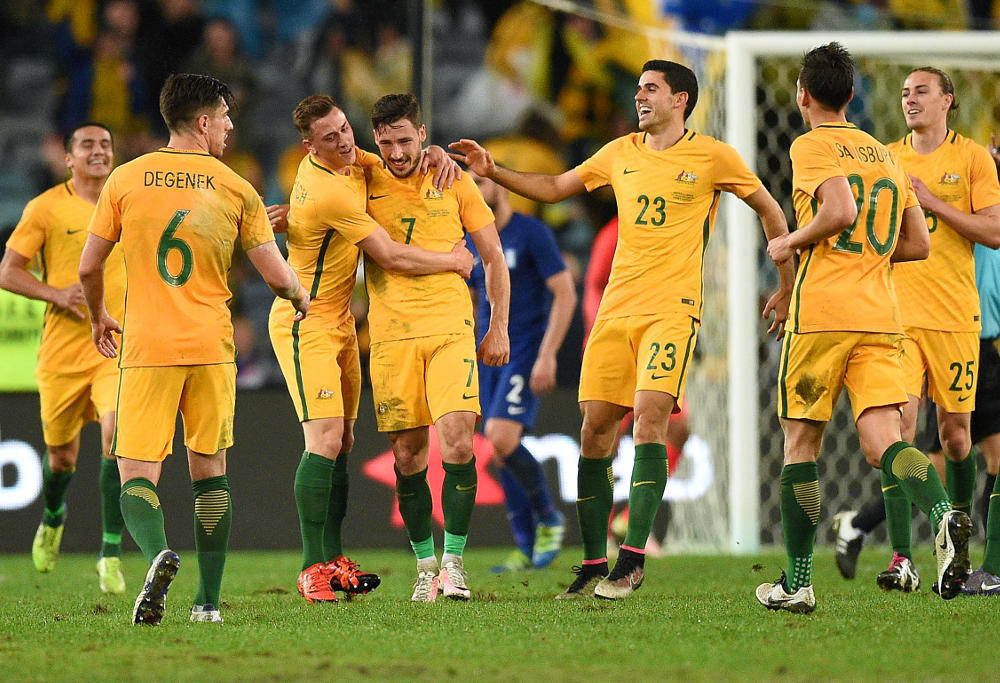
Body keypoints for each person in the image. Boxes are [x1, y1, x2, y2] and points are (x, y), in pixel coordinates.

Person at [450, 59, 795, 600]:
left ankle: (632, 560)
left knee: (652, 418)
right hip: (617, 312)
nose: (639, 97)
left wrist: (785, 281)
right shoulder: (620, 153)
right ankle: (593, 562)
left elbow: (772, 210)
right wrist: (494, 172)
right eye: (637, 88)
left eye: (650, 89)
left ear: (680, 100)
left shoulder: (713, 157)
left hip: (673, 311)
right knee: (595, 431)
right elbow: (555, 185)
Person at [79, 73, 309, 626]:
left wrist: (98, 316)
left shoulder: (126, 179)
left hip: (148, 344)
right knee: (210, 472)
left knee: (136, 470)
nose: (230, 127)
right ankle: (207, 603)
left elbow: (88, 266)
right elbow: (276, 277)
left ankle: (158, 552)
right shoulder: (235, 187)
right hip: (210, 345)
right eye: (225, 117)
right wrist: (302, 296)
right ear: (203, 122)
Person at [757, 43, 971, 614]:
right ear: (852, 95)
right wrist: (871, 260)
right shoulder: (884, 152)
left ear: (804, 94)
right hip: (882, 317)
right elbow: (920, 245)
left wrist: (790, 241)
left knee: (801, 446)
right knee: (886, 445)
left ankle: (798, 583)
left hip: (823, 316)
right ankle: (946, 516)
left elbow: (839, 211)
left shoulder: (811, 144)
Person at [270, 94, 473, 604]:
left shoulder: (352, 162)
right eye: (330, 137)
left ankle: (334, 559)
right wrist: (452, 261)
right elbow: (387, 255)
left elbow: (396, 155)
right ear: (307, 146)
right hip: (304, 318)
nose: (343, 141)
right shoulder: (326, 189)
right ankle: (310, 567)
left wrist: (437, 154)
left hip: (340, 321)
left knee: (343, 443)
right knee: (324, 438)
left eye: (344, 129)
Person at [831, 68, 1000, 592]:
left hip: (955, 318)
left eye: (921, 91)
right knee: (897, 434)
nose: (910, 99)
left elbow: (994, 231)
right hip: (895, 319)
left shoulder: (972, 158)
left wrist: (934, 205)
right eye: (904, 92)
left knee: (956, 440)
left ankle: (961, 551)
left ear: (947, 100)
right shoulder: (885, 157)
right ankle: (901, 558)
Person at [365, 93, 510, 602]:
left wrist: (498, 326)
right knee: (407, 455)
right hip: (390, 336)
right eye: (386, 143)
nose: (397, 153)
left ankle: (453, 564)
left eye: (406, 140)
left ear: (424, 136)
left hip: (451, 329)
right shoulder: (362, 178)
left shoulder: (453, 179)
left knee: (459, 441)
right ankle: (424, 564)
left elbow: (492, 257)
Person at [0, 122, 128, 595]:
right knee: (61, 458)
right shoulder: (46, 208)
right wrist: (56, 293)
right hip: (61, 354)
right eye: (87, 145)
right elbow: (8, 271)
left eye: (105, 144)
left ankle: (110, 554)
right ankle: (53, 515)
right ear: (69, 159)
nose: (98, 151)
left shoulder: (127, 204)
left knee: (117, 437)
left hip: (113, 347)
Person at [466, 170, 576, 572]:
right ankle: (526, 548)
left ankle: (548, 517)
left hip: (524, 349)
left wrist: (548, 354)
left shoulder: (531, 233)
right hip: (487, 354)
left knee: (501, 436)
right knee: (498, 451)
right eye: (468, 185)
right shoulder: (471, 240)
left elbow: (565, 293)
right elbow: (476, 299)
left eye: (480, 182)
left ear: (498, 185)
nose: (475, 191)